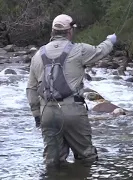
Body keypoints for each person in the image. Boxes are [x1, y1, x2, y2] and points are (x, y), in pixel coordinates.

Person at [26, 14, 116, 167]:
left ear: (52, 31)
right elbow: (101, 50)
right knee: (86, 157)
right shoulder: (79, 50)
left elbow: (31, 90)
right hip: (73, 110)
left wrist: (37, 116)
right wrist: (111, 40)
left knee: (52, 162)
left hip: (47, 112)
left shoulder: (37, 56)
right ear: (70, 31)